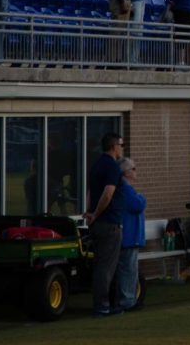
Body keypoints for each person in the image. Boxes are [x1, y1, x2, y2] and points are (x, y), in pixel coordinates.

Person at [84, 131, 125, 316]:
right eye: (121, 145)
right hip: (108, 223)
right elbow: (107, 193)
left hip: (98, 223)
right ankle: (102, 305)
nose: (122, 149)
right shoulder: (112, 167)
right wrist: (96, 213)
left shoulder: (96, 165)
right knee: (105, 267)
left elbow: (91, 192)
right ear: (113, 146)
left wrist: (89, 211)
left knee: (103, 264)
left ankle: (110, 303)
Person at [115, 157, 146, 312]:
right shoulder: (125, 188)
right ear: (125, 173)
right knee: (128, 270)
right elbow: (137, 204)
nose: (135, 171)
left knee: (130, 269)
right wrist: (142, 197)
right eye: (133, 169)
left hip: (130, 236)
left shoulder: (126, 188)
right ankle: (127, 301)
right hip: (128, 236)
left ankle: (129, 299)